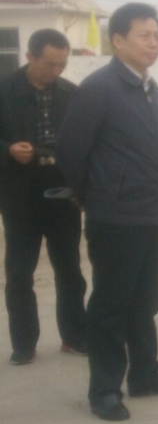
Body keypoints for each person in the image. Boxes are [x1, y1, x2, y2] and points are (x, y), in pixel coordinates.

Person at [57, 3, 158, 421]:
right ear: (117, 40)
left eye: (157, 36)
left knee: (145, 300)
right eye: (144, 36)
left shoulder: (148, 87)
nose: (154, 44)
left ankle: (145, 374)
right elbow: (71, 151)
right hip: (115, 217)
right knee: (111, 306)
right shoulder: (99, 88)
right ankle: (104, 391)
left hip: (152, 213)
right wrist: (93, 194)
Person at [0, 29, 87, 365]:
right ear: (30, 57)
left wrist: (82, 188)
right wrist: (8, 150)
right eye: (49, 64)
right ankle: (24, 344)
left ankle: (74, 336)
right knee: (19, 273)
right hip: (20, 194)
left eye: (61, 64)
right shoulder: (5, 91)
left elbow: (85, 144)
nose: (56, 71)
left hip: (63, 194)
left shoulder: (71, 93)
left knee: (70, 270)